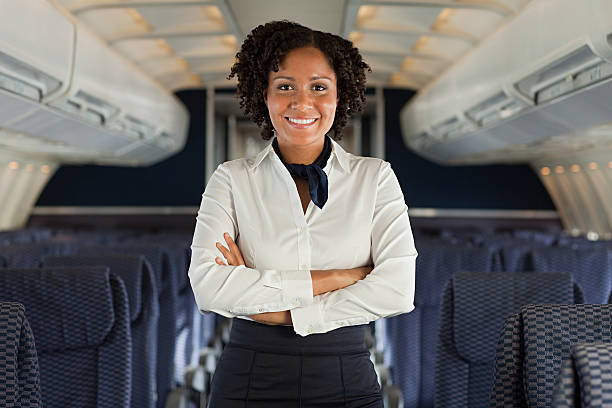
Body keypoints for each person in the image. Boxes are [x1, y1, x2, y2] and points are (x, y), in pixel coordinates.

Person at [188, 20, 417, 408]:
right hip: (248, 375)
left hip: (346, 375)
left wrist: (279, 313)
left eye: (318, 87)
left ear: (338, 94)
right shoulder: (231, 180)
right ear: (264, 94)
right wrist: (340, 278)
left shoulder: (375, 178)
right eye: (285, 86)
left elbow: (396, 290)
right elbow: (209, 287)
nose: (301, 102)